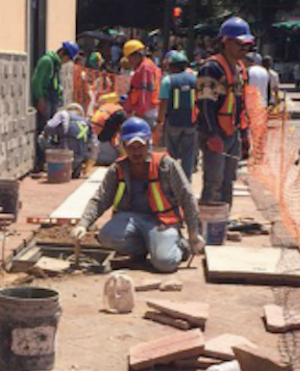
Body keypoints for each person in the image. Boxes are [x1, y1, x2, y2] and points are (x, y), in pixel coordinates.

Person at [71, 117, 203, 273]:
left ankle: (180, 246)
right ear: (123, 146)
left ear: (149, 144)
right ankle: (143, 250)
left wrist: (193, 235)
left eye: (140, 146)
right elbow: (101, 198)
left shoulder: (166, 166)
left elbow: (186, 197)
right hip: (131, 220)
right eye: (131, 147)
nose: (136, 152)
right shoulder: (118, 169)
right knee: (107, 236)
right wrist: (83, 224)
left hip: (161, 223)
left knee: (165, 263)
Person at [195, 16, 254, 207]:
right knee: (214, 182)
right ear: (226, 42)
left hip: (232, 133)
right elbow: (205, 105)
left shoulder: (239, 69)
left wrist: (244, 133)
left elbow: (240, 104)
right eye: (240, 44)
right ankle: (208, 223)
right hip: (216, 133)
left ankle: (221, 222)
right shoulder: (212, 69)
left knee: (228, 181)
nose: (244, 49)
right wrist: (212, 134)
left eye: (247, 45)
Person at [157, 51, 198, 180]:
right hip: (191, 122)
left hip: (173, 121)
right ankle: (186, 180)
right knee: (188, 153)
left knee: (172, 153)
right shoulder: (195, 79)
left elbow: (163, 102)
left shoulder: (168, 80)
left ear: (171, 66)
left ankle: (173, 180)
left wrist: (160, 122)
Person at [32, 41, 80, 136]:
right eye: (68, 58)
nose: (67, 61)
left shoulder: (56, 64)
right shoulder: (47, 61)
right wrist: (41, 99)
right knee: (45, 130)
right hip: (46, 100)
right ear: (62, 53)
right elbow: (37, 81)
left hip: (52, 100)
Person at [38, 103, 97, 178]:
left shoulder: (62, 114)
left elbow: (49, 127)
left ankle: (44, 164)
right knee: (83, 144)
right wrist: (90, 162)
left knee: (41, 138)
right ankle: (76, 168)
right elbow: (95, 145)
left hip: (62, 156)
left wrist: (53, 133)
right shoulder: (86, 122)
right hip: (79, 157)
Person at [122, 39, 162, 134]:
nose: (129, 61)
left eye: (129, 57)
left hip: (145, 111)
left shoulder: (145, 68)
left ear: (136, 55)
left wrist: (140, 113)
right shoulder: (145, 66)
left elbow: (145, 92)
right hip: (145, 109)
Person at [90, 95, 127, 165]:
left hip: (92, 137)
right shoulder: (120, 111)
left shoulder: (108, 107)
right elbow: (125, 132)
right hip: (102, 140)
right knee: (112, 159)